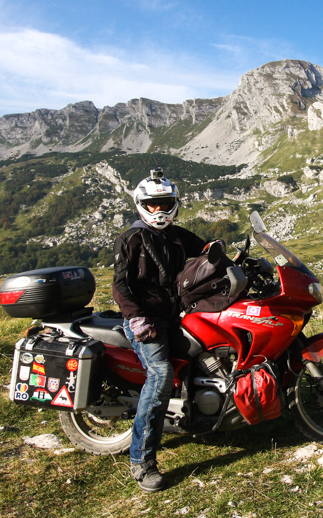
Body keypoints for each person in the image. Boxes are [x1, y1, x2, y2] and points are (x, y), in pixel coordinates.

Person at [112, 168, 208, 492]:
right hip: (145, 320)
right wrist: (137, 318)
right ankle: (141, 462)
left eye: (164, 203)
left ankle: (200, 417)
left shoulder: (178, 236)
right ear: (141, 205)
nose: (159, 210)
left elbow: (208, 249)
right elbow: (120, 286)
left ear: (174, 203)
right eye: (152, 204)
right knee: (161, 374)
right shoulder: (130, 239)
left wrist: (234, 257)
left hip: (175, 315)